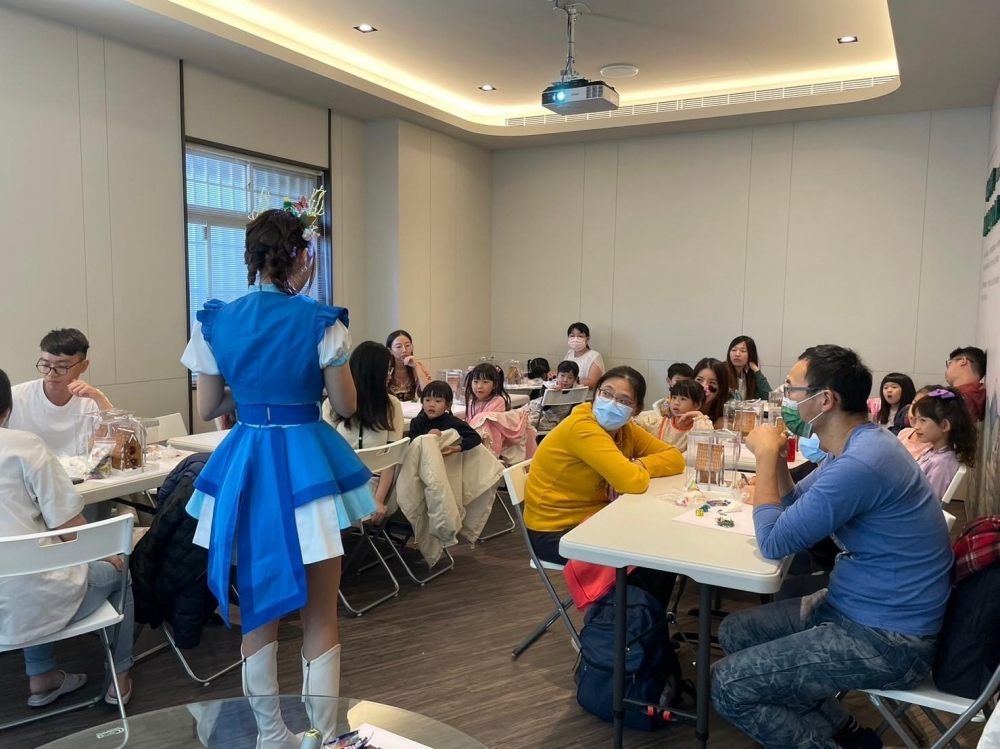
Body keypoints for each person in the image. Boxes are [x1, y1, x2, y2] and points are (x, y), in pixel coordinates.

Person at [181, 197, 376, 747]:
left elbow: (209, 406)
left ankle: (271, 736)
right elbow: (346, 405)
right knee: (321, 615)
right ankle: (323, 736)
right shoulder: (320, 321)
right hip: (305, 463)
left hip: (246, 464)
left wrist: (251, 393)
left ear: (251, 257)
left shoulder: (215, 321)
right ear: (300, 258)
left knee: (257, 607)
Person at [712, 345, 953, 749]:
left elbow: (773, 542)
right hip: (856, 606)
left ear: (825, 400)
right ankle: (845, 733)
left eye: (792, 389)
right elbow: (795, 503)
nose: (785, 399)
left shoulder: (861, 463)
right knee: (737, 631)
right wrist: (776, 462)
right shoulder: (859, 444)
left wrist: (767, 457)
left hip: (889, 638)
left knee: (727, 684)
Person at [0, 369, 134, 709]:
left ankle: (43, 676)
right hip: (31, 600)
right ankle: (119, 678)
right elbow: (68, 524)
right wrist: (104, 554)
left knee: (27, 566)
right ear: (7, 410)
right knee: (121, 569)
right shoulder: (24, 446)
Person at [522, 367, 684, 573]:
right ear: (595, 394)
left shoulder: (624, 429)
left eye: (624, 401)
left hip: (597, 517)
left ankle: (636, 594)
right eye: (606, 394)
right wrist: (626, 472)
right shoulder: (582, 427)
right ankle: (625, 595)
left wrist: (639, 464)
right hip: (555, 531)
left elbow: (675, 458)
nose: (612, 403)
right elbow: (632, 481)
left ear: (636, 409)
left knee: (660, 543)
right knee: (650, 558)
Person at [324, 341, 404, 525]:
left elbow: (390, 461)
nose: (390, 375)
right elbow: (326, 451)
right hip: (337, 481)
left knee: (332, 515)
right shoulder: (333, 405)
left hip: (371, 482)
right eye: (387, 370)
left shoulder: (391, 405)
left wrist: (379, 500)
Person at [9, 329, 114, 457]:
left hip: (80, 469)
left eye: (62, 366)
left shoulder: (92, 400)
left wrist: (100, 399)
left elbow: (119, 444)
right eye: (45, 365)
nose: (51, 374)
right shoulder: (15, 397)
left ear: (84, 366)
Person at [911, 386, 977, 501]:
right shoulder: (935, 452)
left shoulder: (941, 463)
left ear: (944, 425)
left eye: (923, 420)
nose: (916, 427)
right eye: (916, 420)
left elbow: (930, 502)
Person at [634, 379, 713, 452]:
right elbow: (634, 422)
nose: (676, 402)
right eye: (674, 397)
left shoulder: (699, 426)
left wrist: (698, 415)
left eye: (683, 399)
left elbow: (705, 445)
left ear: (697, 405)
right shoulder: (661, 423)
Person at [406, 380, 482, 454]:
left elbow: (475, 437)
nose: (431, 404)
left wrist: (456, 448)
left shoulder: (452, 422)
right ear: (422, 403)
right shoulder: (417, 422)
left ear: (448, 405)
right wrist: (426, 438)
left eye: (438, 401)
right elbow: (410, 444)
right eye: (427, 400)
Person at [524, 361, 580, 432]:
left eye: (570, 377)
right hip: (536, 409)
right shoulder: (548, 385)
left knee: (525, 422)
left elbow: (576, 411)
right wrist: (552, 392)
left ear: (575, 379)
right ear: (557, 374)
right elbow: (545, 408)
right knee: (517, 415)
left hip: (551, 420)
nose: (565, 380)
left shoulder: (578, 390)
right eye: (562, 375)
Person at [386, 330, 432, 403]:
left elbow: (429, 393)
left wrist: (416, 366)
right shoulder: (385, 368)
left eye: (407, 345)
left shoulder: (418, 366)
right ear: (390, 350)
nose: (404, 350)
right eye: (398, 347)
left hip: (412, 409)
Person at [945, 346, 987, 422]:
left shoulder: (956, 399)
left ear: (963, 361)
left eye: (950, 363)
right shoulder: (978, 395)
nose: (947, 370)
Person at [896, 385, 937, 461]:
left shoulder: (933, 446)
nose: (913, 412)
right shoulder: (904, 433)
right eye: (913, 404)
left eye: (922, 408)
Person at [726, 336, 772, 400]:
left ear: (751, 355)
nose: (737, 354)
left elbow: (768, 397)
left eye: (743, 351)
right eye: (734, 350)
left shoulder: (746, 375)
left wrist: (757, 371)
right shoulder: (721, 372)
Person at [564, 322, 605, 390]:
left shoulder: (594, 356)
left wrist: (571, 382)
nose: (575, 339)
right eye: (572, 336)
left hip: (585, 395)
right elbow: (563, 371)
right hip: (567, 393)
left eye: (580, 336)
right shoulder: (569, 353)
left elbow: (593, 382)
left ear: (587, 339)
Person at [694, 357, 733, 428]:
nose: (704, 386)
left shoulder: (727, 412)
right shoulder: (680, 404)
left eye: (712, 382)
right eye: (699, 380)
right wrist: (711, 426)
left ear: (721, 388)